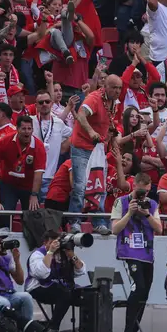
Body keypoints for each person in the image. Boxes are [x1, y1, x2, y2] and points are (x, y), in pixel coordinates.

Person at [111, 172, 163, 332]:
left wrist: (146, 213)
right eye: (140, 192)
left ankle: (132, 331)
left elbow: (159, 229)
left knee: (144, 293)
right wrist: (130, 213)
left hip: (147, 252)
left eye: (146, 192)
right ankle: (127, 331)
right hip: (128, 251)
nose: (143, 195)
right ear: (134, 186)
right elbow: (115, 229)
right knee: (138, 287)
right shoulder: (121, 201)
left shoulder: (152, 204)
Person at [69, 74, 122, 235]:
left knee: (100, 187)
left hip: (99, 148)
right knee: (81, 185)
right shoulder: (94, 98)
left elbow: (112, 123)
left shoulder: (116, 103)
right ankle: (75, 221)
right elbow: (82, 114)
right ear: (105, 86)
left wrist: (113, 138)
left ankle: (98, 222)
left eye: (119, 88)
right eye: (114, 87)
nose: (117, 91)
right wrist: (91, 131)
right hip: (82, 147)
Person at [25, 230, 87, 332]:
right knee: (64, 293)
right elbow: (42, 274)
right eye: (52, 242)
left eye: (57, 242)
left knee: (88, 295)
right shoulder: (37, 254)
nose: (56, 245)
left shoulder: (64, 253)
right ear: (45, 243)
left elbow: (81, 271)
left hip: (61, 286)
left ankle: (86, 330)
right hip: (38, 287)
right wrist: (50, 252)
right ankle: (53, 329)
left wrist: (72, 255)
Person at [0, 115, 46, 217]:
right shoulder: (5, 141)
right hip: (8, 184)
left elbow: (38, 175)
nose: (27, 132)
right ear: (17, 129)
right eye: (23, 128)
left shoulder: (39, 146)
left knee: (31, 217)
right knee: (3, 214)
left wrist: (34, 195)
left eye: (29, 129)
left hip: (29, 187)